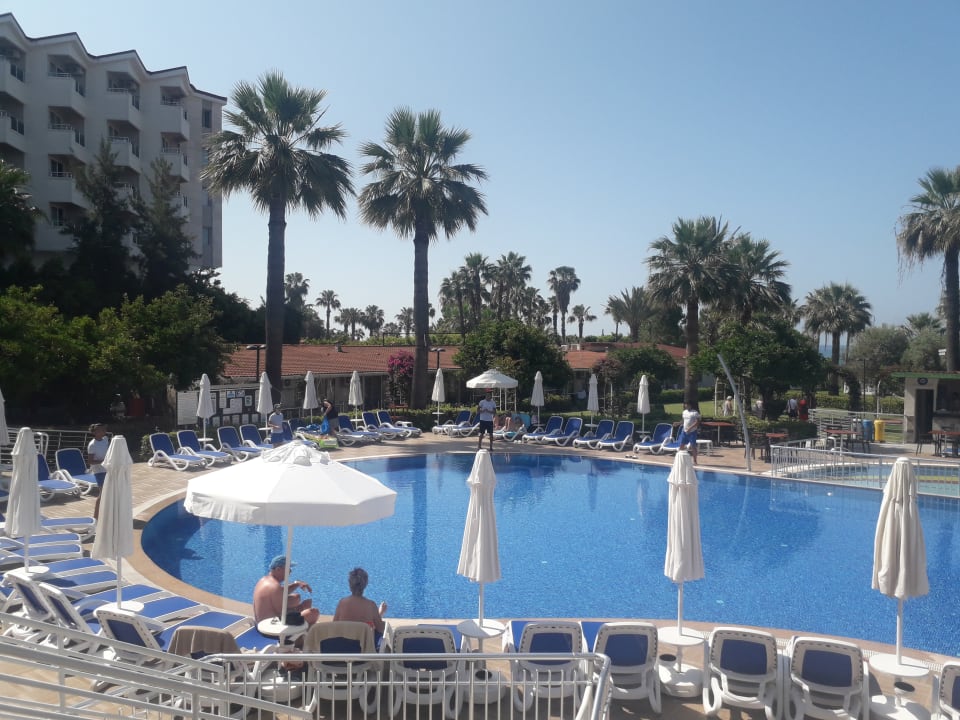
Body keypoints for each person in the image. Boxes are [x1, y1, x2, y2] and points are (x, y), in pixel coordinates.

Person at [253, 555, 319, 626]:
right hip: (271, 626)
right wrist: (301, 607)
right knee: (313, 612)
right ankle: (304, 632)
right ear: (278, 569)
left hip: (261, 621)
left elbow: (280, 592)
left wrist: (296, 584)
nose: (290, 571)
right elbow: (282, 616)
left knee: (296, 597)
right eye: (288, 569)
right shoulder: (275, 587)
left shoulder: (265, 580)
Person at [333, 567, 388, 648]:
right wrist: (380, 614)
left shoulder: (342, 603)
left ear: (350, 584)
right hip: (364, 649)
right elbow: (380, 628)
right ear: (365, 584)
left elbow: (334, 626)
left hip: (343, 647)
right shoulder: (370, 605)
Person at [87, 423, 109, 519]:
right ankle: (95, 517)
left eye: (104, 430)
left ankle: (105, 514)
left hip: (107, 469)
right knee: (102, 493)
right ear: (94, 432)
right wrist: (103, 461)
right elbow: (90, 461)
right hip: (99, 471)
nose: (103, 431)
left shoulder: (106, 440)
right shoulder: (92, 445)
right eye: (100, 430)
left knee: (108, 493)